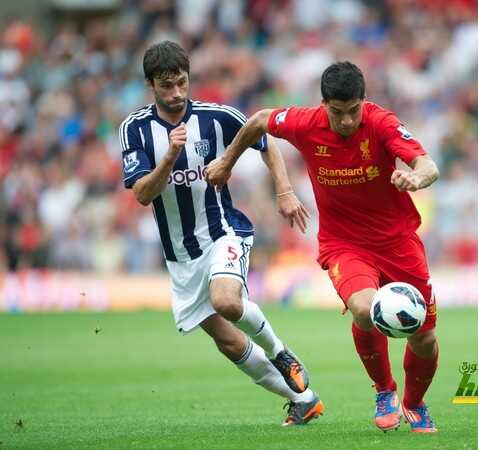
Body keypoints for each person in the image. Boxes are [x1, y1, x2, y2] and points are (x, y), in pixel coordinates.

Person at [205, 61, 440, 433]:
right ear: (323, 104)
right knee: (364, 309)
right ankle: (385, 390)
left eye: (353, 111)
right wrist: (226, 161)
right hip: (344, 244)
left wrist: (415, 177)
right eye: (337, 112)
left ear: (364, 102)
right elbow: (259, 120)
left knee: (425, 336)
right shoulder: (305, 123)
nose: (346, 121)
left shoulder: (381, 123)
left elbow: (428, 165)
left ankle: (415, 403)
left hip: (398, 242)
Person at [119, 40, 324, 426]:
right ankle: (304, 399)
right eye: (167, 86)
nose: (177, 93)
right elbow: (143, 194)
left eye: (182, 82)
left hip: (222, 231)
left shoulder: (217, 116)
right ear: (151, 85)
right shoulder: (135, 130)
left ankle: (281, 353)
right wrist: (168, 158)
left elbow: (265, 141)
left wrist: (283, 191)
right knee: (228, 341)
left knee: (227, 301)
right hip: (180, 257)